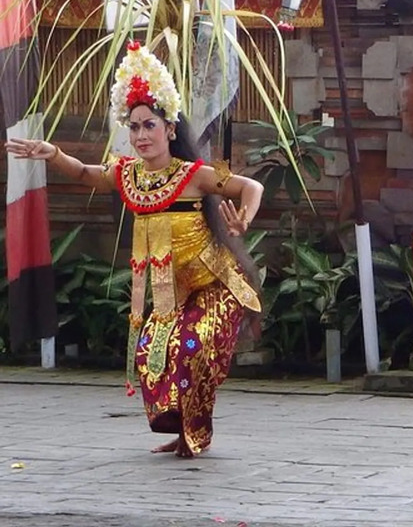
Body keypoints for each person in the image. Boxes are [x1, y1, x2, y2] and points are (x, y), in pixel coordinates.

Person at [5, 41, 264, 458]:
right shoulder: (127, 175)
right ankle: (182, 431)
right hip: (166, 295)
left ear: (171, 130)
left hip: (215, 286)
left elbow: (251, 186)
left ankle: (196, 435)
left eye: (150, 126)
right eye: (135, 126)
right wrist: (52, 153)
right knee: (150, 357)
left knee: (191, 347)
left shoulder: (195, 175)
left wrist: (243, 219)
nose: (141, 135)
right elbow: (88, 174)